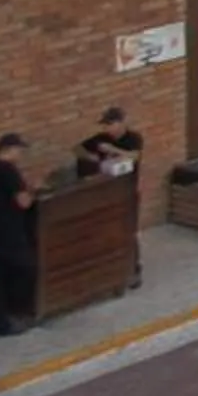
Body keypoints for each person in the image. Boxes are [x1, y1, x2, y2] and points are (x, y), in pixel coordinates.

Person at [76, 108, 144, 288]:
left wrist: (112, 149)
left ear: (121, 123)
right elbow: (77, 149)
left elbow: (134, 156)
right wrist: (91, 158)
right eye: (105, 125)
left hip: (127, 191)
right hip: (105, 192)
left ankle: (134, 270)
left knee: (129, 230)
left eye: (110, 124)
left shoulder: (133, 138)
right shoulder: (100, 138)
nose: (107, 129)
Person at [0, 135, 37, 337]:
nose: (20, 156)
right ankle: (15, 314)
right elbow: (23, 202)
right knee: (25, 268)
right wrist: (31, 190)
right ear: (9, 149)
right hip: (9, 230)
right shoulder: (8, 170)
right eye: (19, 151)